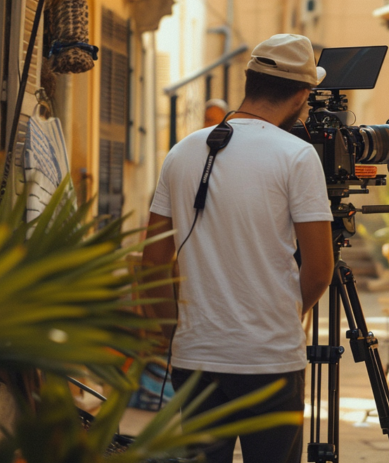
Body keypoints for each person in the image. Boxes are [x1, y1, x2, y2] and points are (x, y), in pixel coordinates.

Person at [141, 34, 334, 463]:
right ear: (302, 94)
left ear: (249, 81)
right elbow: (320, 269)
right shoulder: (298, 156)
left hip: (195, 358)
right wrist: (285, 315)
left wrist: (173, 333)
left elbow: (152, 260)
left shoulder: (181, 152)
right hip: (269, 361)